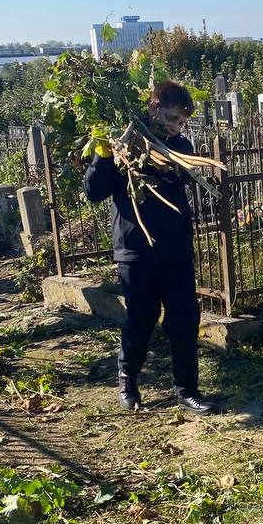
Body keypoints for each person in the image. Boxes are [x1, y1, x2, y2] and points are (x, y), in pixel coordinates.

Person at [84, 81, 214, 415]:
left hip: (175, 248)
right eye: (171, 119)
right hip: (135, 250)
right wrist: (102, 154)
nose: (175, 127)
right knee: (141, 319)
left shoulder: (179, 145)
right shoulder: (121, 148)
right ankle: (128, 379)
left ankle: (187, 389)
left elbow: (183, 175)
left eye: (181, 122)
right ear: (153, 108)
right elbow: (95, 192)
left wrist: (172, 163)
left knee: (184, 319)